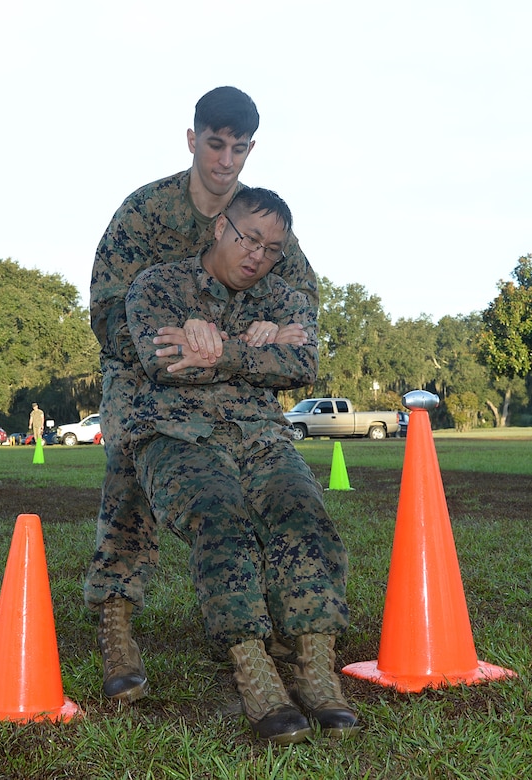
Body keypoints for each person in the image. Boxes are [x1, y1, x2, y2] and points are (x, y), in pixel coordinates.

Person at [85, 86, 319, 703]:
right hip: (143, 373)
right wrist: (172, 343)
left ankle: (269, 635)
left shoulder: (259, 221)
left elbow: (300, 307)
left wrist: (237, 341)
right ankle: (116, 623)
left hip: (231, 379)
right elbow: (107, 310)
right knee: (131, 469)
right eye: (215, 145)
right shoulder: (144, 211)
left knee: (265, 487)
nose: (225, 161)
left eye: (238, 149)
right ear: (193, 140)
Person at [124, 187, 358, 745]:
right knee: (219, 517)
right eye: (248, 239)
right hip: (179, 436)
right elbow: (164, 363)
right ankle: (254, 671)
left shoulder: (283, 296)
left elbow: (302, 363)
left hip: (260, 437)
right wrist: (259, 350)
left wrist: (220, 348)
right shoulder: (158, 286)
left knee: (304, 513)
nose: (258, 255)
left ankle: (315, 668)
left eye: (272, 248)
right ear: (219, 229)